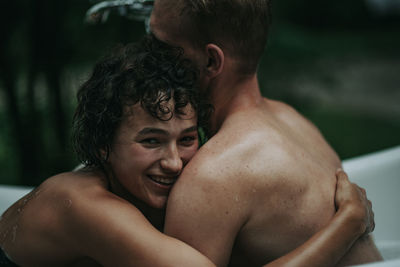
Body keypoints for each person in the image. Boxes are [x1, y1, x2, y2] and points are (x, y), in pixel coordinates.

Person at [0, 35, 374, 267]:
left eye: (187, 138)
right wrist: (346, 225)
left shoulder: (127, 184)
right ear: (102, 146)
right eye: (150, 140)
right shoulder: (86, 206)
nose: (175, 162)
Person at [149, 0, 383, 266]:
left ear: (211, 61)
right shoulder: (295, 121)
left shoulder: (211, 178)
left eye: (161, 47)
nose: (149, 56)